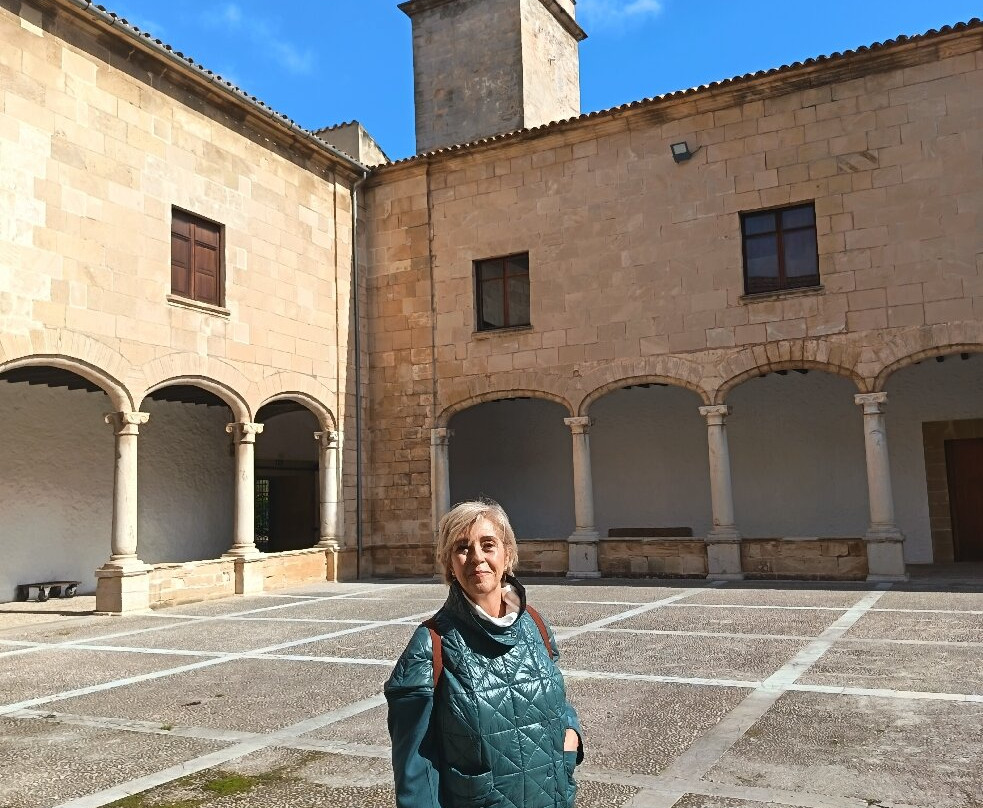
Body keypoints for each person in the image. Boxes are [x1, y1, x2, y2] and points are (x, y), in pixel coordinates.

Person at [386, 499, 584, 808]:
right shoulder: (430, 646)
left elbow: (556, 698)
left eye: (488, 544)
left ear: (507, 555)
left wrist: (570, 734)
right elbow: (417, 774)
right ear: (449, 564)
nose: (476, 557)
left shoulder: (535, 624)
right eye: (462, 548)